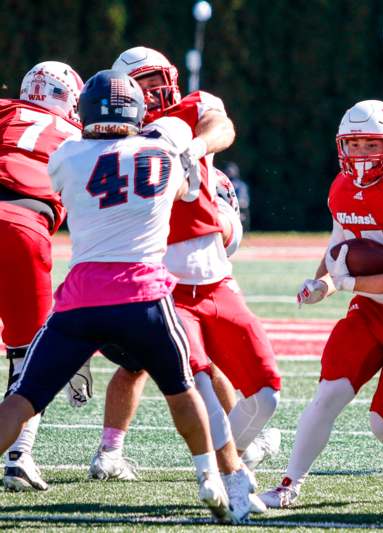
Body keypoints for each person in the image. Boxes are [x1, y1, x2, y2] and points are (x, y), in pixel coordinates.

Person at [0, 69, 242, 522]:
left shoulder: (69, 154)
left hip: (80, 302)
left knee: (23, 395)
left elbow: (58, 183)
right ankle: (210, 477)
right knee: (182, 389)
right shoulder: (163, 153)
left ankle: (21, 454)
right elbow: (186, 188)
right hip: (144, 296)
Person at [88, 47, 281, 488]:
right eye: (143, 83)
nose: (155, 89)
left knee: (224, 373)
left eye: (158, 79)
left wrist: (192, 147)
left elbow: (221, 126)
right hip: (153, 270)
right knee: (146, 365)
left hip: (209, 269)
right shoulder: (114, 135)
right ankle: (114, 451)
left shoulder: (191, 110)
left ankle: (235, 448)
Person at [259, 99, 383, 508]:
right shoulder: (342, 187)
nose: (361, 154)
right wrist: (322, 283)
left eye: (371, 144)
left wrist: (343, 283)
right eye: (354, 144)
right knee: (327, 394)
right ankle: (289, 484)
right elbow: (337, 248)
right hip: (370, 309)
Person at [0, 61, 84, 492]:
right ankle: (19, 457)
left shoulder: (6, 111)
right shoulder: (82, 137)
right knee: (29, 357)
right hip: (22, 228)